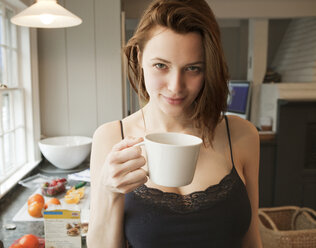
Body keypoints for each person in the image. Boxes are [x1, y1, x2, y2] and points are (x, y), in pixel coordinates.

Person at [87, 0, 262, 247]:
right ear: (139, 57)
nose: (176, 86)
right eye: (161, 65)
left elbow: (252, 241)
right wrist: (109, 191)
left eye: (192, 68)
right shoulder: (110, 137)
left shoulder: (242, 135)